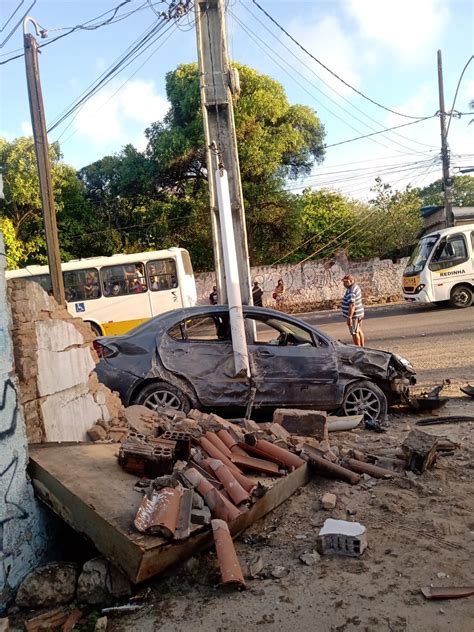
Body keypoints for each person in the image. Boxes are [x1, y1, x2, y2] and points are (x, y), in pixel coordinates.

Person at [341, 274, 365, 346]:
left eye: (346, 282)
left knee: (354, 333)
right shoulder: (355, 287)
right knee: (359, 330)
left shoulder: (351, 291)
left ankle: (358, 348)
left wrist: (350, 317)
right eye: (343, 282)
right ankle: (363, 347)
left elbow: (352, 305)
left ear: (351, 281)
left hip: (354, 316)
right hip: (359, 314)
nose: (344, 284)